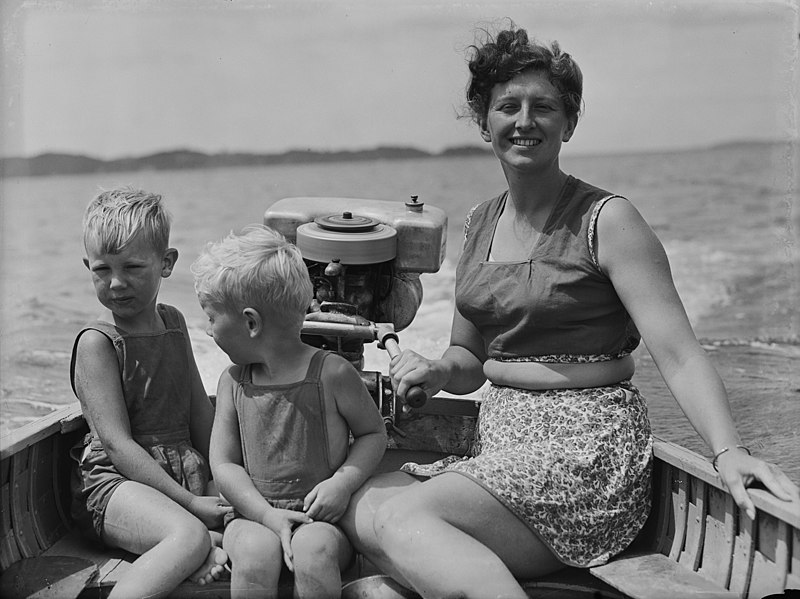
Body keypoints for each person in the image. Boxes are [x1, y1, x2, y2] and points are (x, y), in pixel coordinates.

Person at [339, 25, 800, 599]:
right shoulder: (478, 223)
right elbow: (470, 356)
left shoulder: (608, 220)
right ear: (485, 122)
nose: (524, 121)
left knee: (406, 521)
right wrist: (436, 372)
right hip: (503, 444)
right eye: (508, 106)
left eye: (544, 107)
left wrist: (729, 451)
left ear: (569, 123)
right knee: (359, 507)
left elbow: (679, 354)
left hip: (586, 452)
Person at [192, 225, 388, 599]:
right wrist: (267, 516)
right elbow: (225, 466)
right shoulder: (233, 382)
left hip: (321, 519)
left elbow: (373, 434)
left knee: (312, 553)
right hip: (253, 515)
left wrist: (341, 484)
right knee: (253, 554)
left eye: (212, 318)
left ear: (251, 322)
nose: (208, 330)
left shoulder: (332, 374)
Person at [70, 187, 231, 599]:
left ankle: (201, 546)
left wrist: (227, 479)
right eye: (102, 270)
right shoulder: (98, 344)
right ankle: (195, 548)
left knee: (249, 519)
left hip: (182, 476)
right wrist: (193, 506)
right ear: (88, 266)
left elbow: (200, 414)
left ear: (167, 263)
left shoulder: (173, 323)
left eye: (133, 267)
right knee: (191, 536)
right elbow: (118, 446)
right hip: (117, 487)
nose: (116, 283)